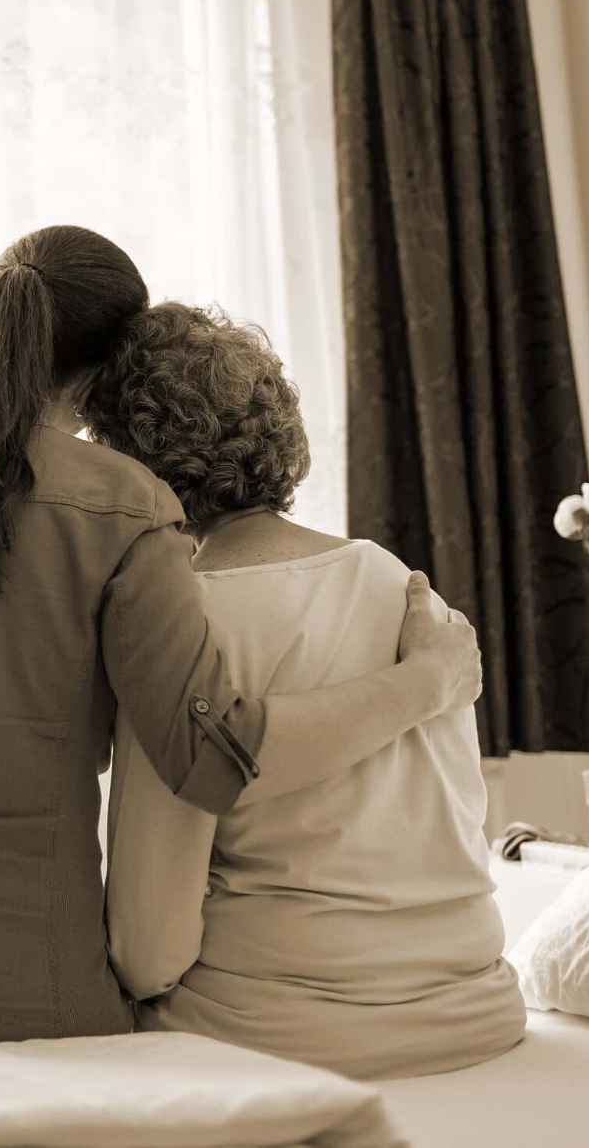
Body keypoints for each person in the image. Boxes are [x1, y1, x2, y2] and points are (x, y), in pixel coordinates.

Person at [0, 227, 482, 1056]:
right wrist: (425, 681)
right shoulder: (131, 510)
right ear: (106, 382)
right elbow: (211, 755)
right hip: (28, 1015)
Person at [85, 302, 525, 1080]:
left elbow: (149, 950)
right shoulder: (407, 587)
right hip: (475, 1011)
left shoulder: (178, 627)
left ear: (130, 465)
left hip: (280, 1032)